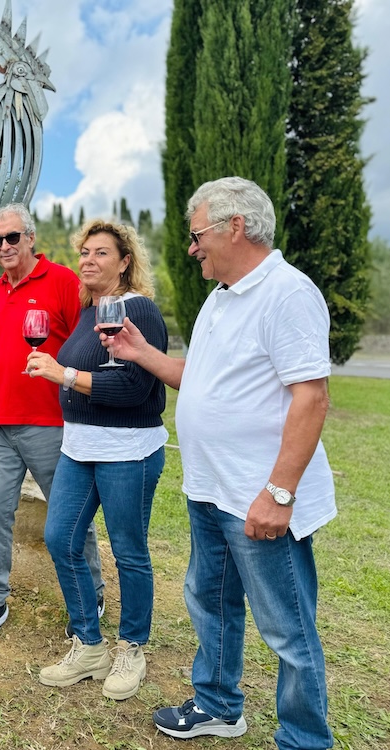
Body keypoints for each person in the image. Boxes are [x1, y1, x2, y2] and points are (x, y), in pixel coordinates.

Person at [107, 177, 335, 748]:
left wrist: (279, 494)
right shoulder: (222, 295)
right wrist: (141, 353)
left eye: (197, 235)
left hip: (257, 497)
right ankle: (217, 706)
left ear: (236, 227)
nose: (192, 248)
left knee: (287, 629)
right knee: (210, 604)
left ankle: (305, 739)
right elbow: (200, 379)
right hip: (210, 490)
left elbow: (312, 397)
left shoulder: (287, 292)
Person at [0, 203, 104, 649]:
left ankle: (91, 597)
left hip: (51, 423)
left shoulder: (64, 283)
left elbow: (88, 346)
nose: (3, 247)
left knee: (69, 517)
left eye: (11, 238)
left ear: (30, 238)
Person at [26, 219, 167, 701]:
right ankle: (89, 645)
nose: (88, 260)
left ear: (125, 261)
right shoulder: (90, 313)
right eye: (84, 252)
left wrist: (63, 375)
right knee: (60, 538)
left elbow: (133, 388)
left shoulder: (138, 312)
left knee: (129, 550)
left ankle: (131, 646)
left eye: (101, 252)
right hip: (79, 447)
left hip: (128, 450)